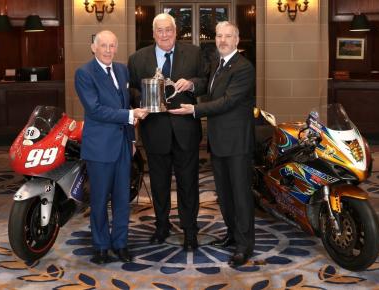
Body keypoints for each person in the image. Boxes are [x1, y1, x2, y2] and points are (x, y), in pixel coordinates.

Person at [169, 21, 256, 266]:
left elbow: (227, 102)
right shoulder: (217, 64)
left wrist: (194, 109)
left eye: (228, 36)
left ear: (237, 40)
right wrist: (191, 84)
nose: (223, 40)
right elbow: (207, 86)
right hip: (218, 142)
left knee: (240, 196)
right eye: (219, 36)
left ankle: (244, 245)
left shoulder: (244, 67)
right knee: (225, 195)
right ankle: (232, 234)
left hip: (237, 143)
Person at [128, 13, 207, 251]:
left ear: (175, 31)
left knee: (188, 185)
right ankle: (161, 227)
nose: (164, 35)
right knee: (160, 185)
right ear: (153, 33)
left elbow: (206, 81)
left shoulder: (193, 53)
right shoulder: (137, 58)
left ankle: (190, 232)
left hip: (186, 133)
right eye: (160, 30)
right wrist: (144, 97)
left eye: (169, 30)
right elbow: (130, 90)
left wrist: (192, 83)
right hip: (155, 132)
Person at [75, 30, 148, 264]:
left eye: (112, 46)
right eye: (103, 45)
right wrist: (129, 115)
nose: (108, 50)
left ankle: (120, 243)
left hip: (124, 146)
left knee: (121, 198)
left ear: (117, 48)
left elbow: (124, 102)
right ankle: (100, 246)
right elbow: (95, 109)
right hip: (99, 147)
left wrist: (133, 140)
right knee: (98, 199)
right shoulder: (84, 73)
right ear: (93, 47)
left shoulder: (121, 70)